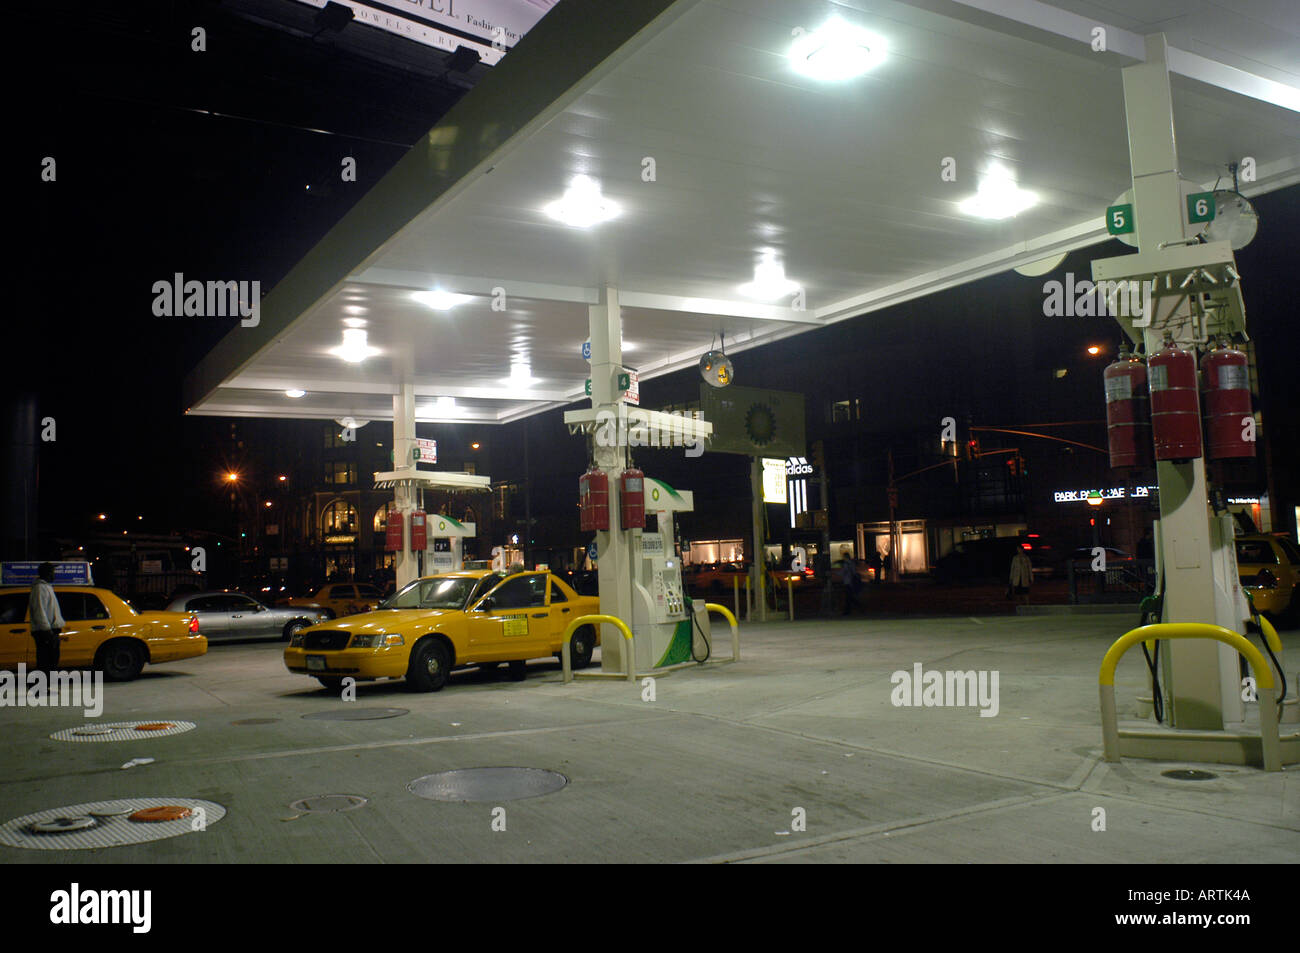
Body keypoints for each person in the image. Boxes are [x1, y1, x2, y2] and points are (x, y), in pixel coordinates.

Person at [29, 562, 65, 672]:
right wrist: (48, 632)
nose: (54, 575)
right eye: (53, 572)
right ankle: (42, 687)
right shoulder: (40, 588)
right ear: (47, 573)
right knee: (46, 662)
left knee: (51, 661)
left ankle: (45, 687)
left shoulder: (46, 587)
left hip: (49, 631)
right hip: (45, 632)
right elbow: (39, 611)